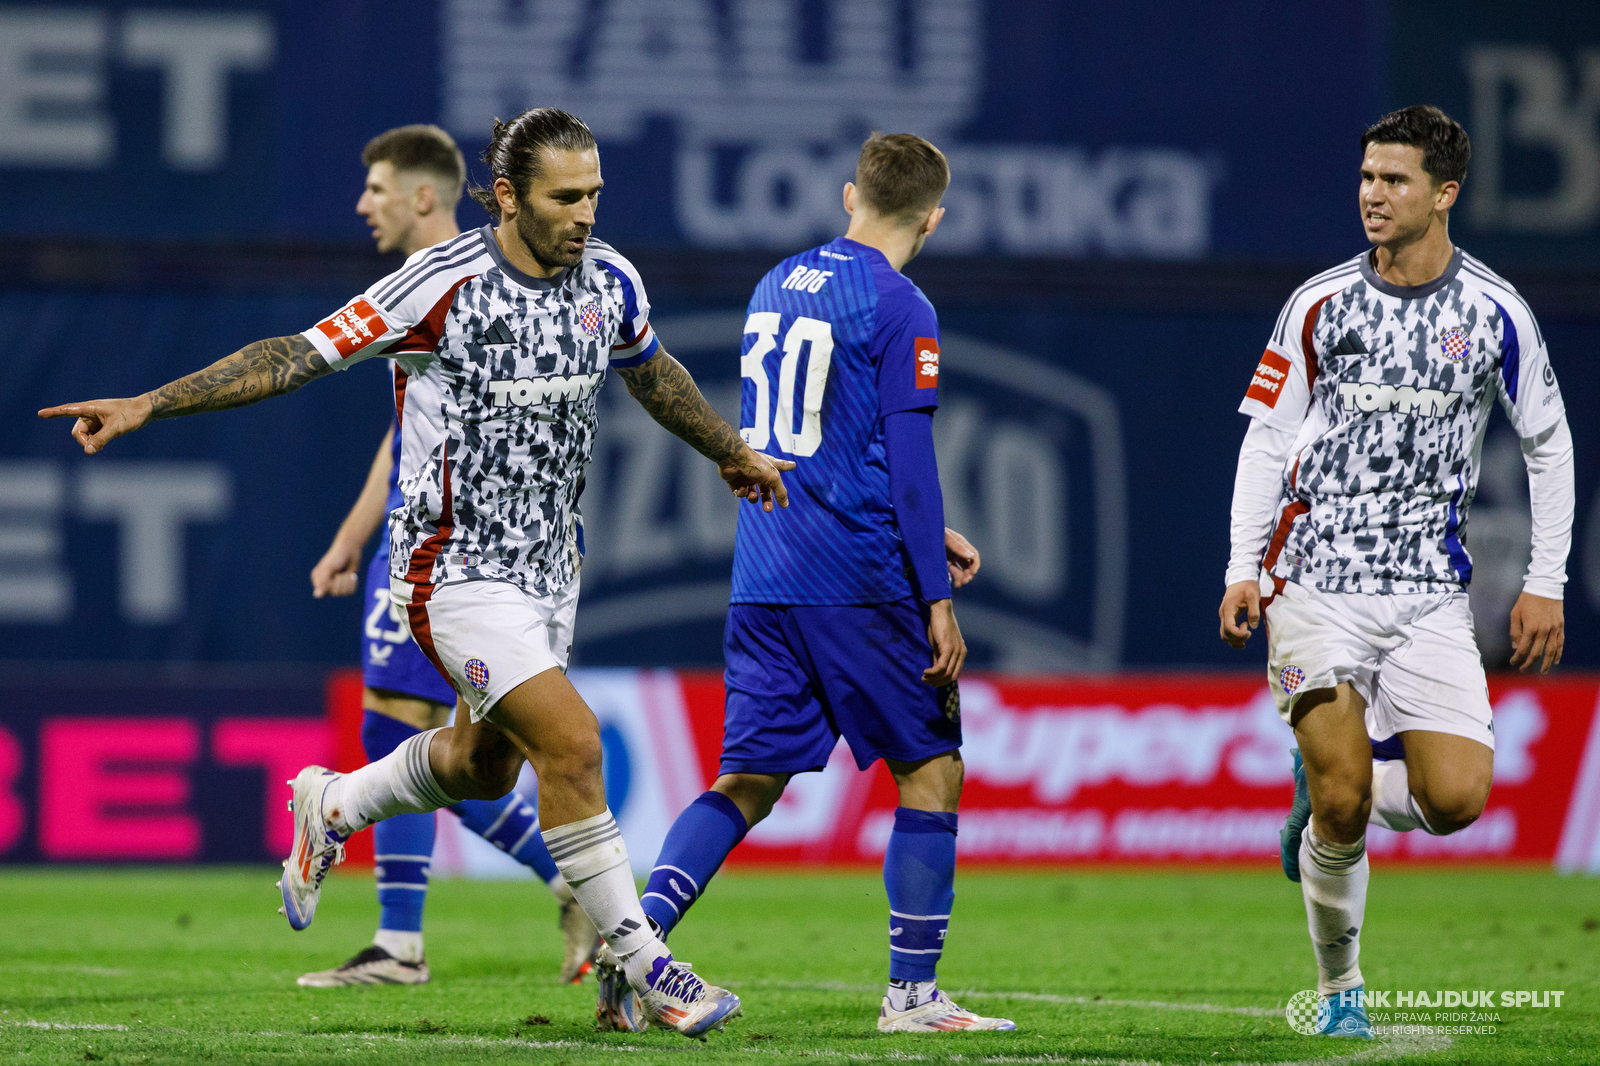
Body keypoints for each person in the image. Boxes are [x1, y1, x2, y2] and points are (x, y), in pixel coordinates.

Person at [39, 107, 793, 1040]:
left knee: (483, 768)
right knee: (575, 746)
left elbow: (654, 373)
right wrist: (151, 402)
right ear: (508, 196)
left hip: (552, 572)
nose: (586, 214)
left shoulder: (613, 280)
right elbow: (292, 357)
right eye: (566, 197)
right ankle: (649, 968)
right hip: (453, 576)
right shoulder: (437, 284)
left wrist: (731, 450)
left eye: (595, 193)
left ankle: (336, 801)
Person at [592, 132, 1015, 1035]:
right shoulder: (902, 305)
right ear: (933, 219)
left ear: (847, 193)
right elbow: (906, 462)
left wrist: (922, 531)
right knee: (932, 769)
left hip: (767, 570)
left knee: (746, 778)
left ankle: (635, 949)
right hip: (858, 576)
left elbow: (815, 438)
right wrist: (935, 593)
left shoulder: (775, 283)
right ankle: (912, 996)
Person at [1218, 105, 1573, 1038]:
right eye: (1368, 176)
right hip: (1316, 577)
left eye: (1396, 180)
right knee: (1342, 800)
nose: (1373, 195)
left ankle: (1319, 791)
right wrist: (1242, 567)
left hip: (1429, 595)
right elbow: (1268, 441)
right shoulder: (1320, 302)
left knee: (1455, 802)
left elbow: (1550, 445)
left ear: (1444, 194)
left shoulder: (1496, 311)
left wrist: (1548, 580)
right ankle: (1341, 991)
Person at [297, 123, 599, 990]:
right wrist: (353, 538)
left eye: (379, 190)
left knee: (412, 730)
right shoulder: (433, 289)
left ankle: (405, 942)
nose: (364, 206)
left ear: (425, 196)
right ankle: (543, 889)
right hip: (433, 542)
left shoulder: (457, 281)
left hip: (463, 556)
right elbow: (404, 441)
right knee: (455, 748)